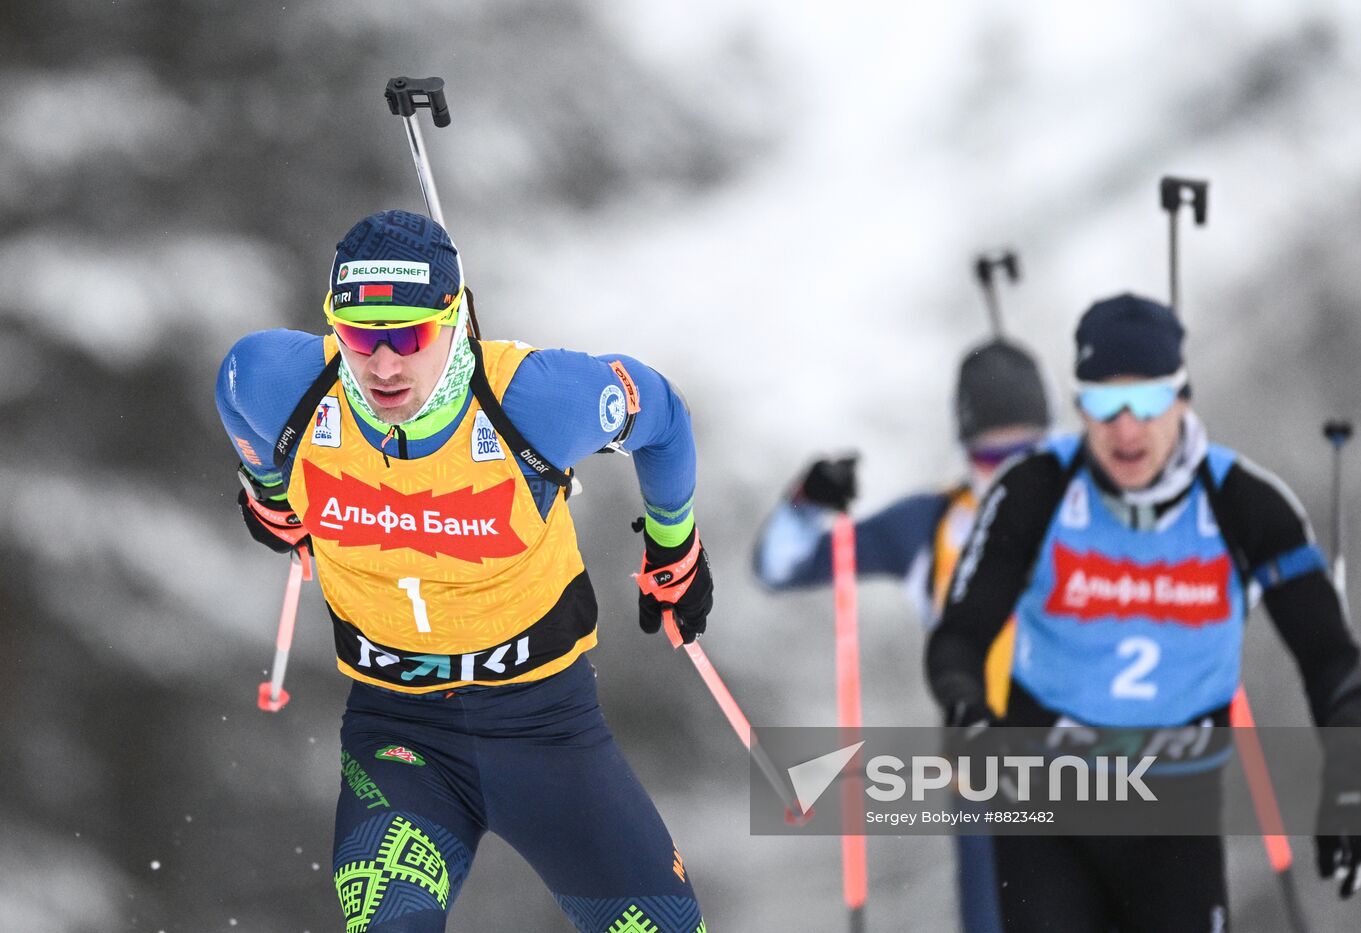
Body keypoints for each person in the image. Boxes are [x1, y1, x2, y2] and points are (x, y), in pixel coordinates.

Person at [215, 210, 712, 933]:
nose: (382, 365)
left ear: (453, 318)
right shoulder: (281, 383)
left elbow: (661, 413)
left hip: (548, 732)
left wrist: (675, 546)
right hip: (399, 735)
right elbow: (233, 393)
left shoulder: (536, 401)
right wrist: (268, 493)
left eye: (409, 336)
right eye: (358, 337)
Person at [926, 294, 1361, 932]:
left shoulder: (1244, 504)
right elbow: (960, 635)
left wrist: (1348, 785)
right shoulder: (1035, 490)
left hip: (1175, 816)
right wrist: (966, 705)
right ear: (1081, 408)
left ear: (1183, 400)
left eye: (1148, 401)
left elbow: (1329, 656)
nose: (1126, 428)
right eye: (1105, 404)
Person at [753, 337, 1053, 932]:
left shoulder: (1101, 500)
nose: (1012, 477)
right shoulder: (931, 526)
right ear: (967, 454)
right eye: (994, 460)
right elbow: (779, 565)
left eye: (1029, 455)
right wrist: (807, 502)